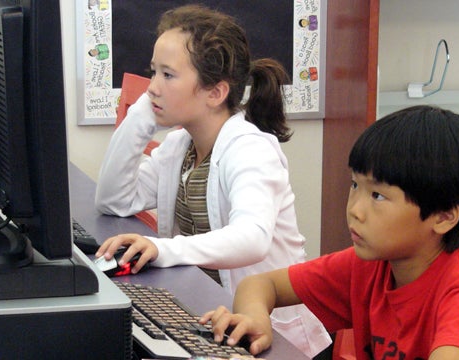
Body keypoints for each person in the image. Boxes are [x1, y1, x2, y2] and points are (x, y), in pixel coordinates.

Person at [93, 4, 332, 358]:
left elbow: (252, 239)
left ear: (215, 93)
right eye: (152, 72)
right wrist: (143, 115)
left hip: (278, 341)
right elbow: (113, 199)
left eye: (168, 75)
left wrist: (164, 248)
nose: (152, 88)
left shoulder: (249, 149)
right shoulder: (179, 147)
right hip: (215, 320)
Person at [201, 105, 459, 359]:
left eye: (378, 196)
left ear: (443, 217)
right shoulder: (371, 265)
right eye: (355, 185)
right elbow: (260, 284)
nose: (355, 208)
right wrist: (257, 319)